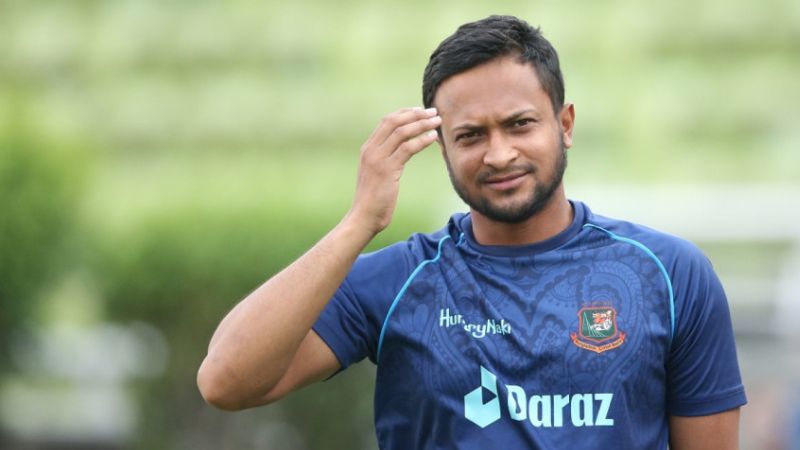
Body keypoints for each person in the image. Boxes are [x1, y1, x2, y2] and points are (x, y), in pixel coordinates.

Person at [197, 15, 747, 449]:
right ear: (442, 148)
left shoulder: (669, 274)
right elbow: (226, 381)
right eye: (470, 135)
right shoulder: (399, 282)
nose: (499, 154)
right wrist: (360, 221)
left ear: (565, 125)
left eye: (520, 124)